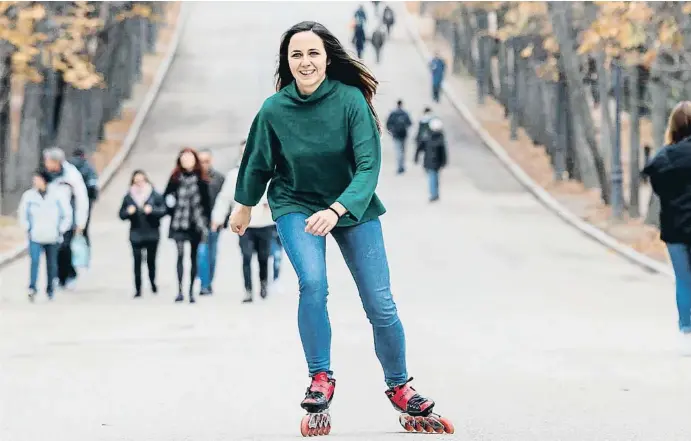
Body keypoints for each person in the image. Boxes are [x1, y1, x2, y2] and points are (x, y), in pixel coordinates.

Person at [228, 20, 450, 432]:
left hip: (352, 204)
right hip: (294, 201)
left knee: (379, 303)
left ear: (327, 58)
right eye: (297, 54)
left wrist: (337, 208)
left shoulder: (350, 101)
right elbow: (257, 162)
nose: (305, 61)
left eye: (313, 53)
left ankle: (400, 385)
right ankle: (320, 377)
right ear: (287, 62)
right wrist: (243, 206)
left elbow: (369, 166)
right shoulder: (274, 109)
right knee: (312, 283)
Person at [643, 101, 691, 351]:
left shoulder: (665, 157)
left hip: (675, 229)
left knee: (684, 281)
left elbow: (655, 180)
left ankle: (686, 332)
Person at [212, 140, 275, 303]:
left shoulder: (268, 171)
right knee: (246, 256)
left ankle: (263, 283)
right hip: (244, 224)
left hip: (265, 222)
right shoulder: (234, 175)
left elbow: (277, 192)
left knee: (263, 256)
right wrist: (217, 218)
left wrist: (272, 204)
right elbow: (224, 198)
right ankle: (248, 289)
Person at [163, 147, 212, 304]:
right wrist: (171, 207)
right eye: (184, 158)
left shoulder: (201, 179)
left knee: (193, 257)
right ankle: (179, 290)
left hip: (195, 223)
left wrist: (207, 222)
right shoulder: (175, 178)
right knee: (180, 255)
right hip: (179, 222)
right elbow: (166, 197)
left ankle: (191, 290)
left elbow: (206, 203)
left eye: (189, 158)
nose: (186, 161)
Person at [18, 169, 71, 301]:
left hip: (52, 235)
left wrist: (61, 229)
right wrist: (27, 228)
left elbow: (67, 214)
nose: (35, 182)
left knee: (51, 263)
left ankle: (50, 288)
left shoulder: (57, 195)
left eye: (38, 179)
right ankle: (32, 287)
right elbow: (23, 213)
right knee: (34, 261)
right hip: (35, 234)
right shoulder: (29, 196)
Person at [42, 147, 90, 290]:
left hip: (68, 217)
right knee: (54, 249)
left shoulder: (71, 175)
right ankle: (57, 276)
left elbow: (82, 198)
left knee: (65, 247)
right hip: (51, 218)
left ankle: (69, 275)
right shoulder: (46, 175)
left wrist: (81, 221)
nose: (46, 163)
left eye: (48, 161)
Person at [118, 170, 166, 298]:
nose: (139, 183)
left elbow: (163, 210)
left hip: (152, 233)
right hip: (136, 233)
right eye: (136, 181)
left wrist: (152, 211)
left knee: (151, 260)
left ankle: (152, 282)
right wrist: (128, 212)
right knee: (137, 261)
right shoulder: (129, 197)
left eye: (141, 180)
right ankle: (138, 288)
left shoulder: (154, 195)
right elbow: (121, 214)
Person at [196, 149, 226, 296]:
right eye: (200, 161)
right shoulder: (194, 177)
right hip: (197, 223)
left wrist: (222, 220)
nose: (203, 164)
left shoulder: (219, 178)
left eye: (206, 161)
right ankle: (204, 284)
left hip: (214, 222)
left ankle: (208, 281)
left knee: (212, 253)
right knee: (201, 252)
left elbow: (226, 200)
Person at [68, 148, 99, 246]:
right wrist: (93, 197)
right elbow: (93, 183)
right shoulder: (88, 167)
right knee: (84, 224)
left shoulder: (69, 167)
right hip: (86, 199)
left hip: (71, 199)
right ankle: (83, 246)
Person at [417, 118, 448, 202]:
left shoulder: (427, 136)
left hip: (429, 161)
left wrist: (416, 157)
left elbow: (420, 147)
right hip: (437, 162)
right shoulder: (440, 138)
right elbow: (443, 152)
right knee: (435, 177)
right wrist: (444, 161)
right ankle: (435, 193)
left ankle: (434, 194)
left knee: (432, 177)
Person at [385, 100, 412, 174]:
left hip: (396, 135)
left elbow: (388, 123)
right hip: (403, 135)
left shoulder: (393, 113)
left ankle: (400, 166)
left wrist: (391, 131)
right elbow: (409, 123)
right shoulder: (405, 113)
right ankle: (401, 166)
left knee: (398, 151)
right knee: (402, 151)